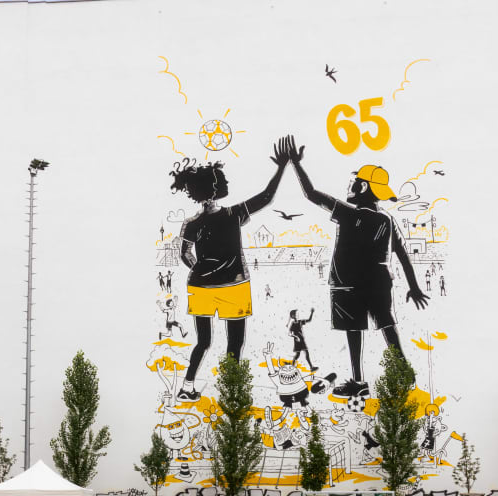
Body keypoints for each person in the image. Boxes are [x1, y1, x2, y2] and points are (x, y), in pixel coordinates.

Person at [287, 136, 429, 400]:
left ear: (362, 186)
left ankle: (358, 381)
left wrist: (295, 163)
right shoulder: (386, 219)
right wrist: (414, 287)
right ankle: (403, 372)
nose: (348, 185)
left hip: (347, 283)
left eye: (352, 181)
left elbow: (311, 194)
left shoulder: (348, 212)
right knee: (387, 325)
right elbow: (402, 254)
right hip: (378, 281)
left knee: (354, 332)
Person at [169, 138, 293, 401]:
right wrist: (282, 167)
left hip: (200, 286)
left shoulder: (192, 223)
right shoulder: (234, 214)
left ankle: (187, 386)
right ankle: (231, 391)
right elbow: (266, 197)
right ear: (216, 188)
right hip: (234, 285)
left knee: (203, 341)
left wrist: (201, 270)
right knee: (234, 343)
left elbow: (184, 254)